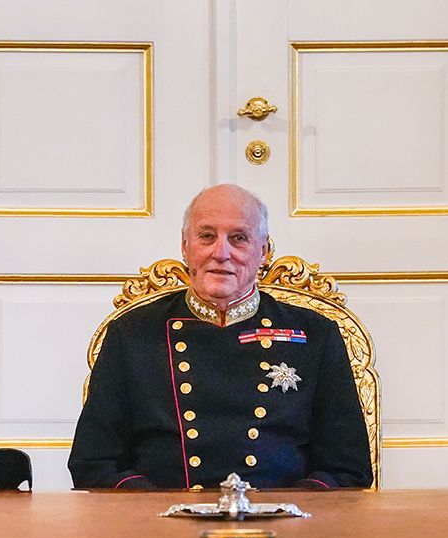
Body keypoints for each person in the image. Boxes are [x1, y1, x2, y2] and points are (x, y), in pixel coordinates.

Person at [68, 184, 372, 490]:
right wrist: (157, 508)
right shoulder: (132, 334)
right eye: (207, 236)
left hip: (279, 516)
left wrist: (286, 510)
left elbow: (347, 469)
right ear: (185, 247)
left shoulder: (316, 335)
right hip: (163, 516)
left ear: (263, 251)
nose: (221, 253)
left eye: (238, 238)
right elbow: (92, 464)